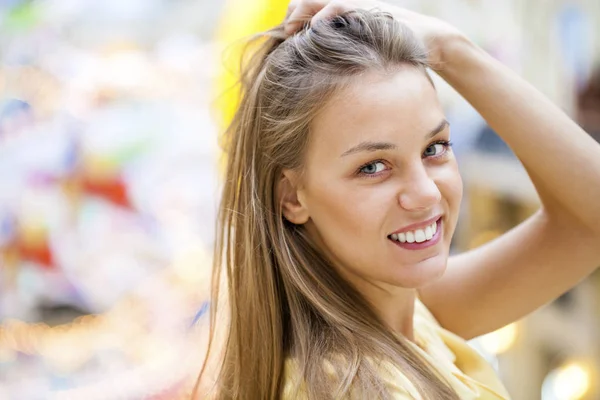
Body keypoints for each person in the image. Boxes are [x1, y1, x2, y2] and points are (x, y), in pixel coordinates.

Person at [194, 1, 600, 399]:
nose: (425, 193)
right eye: (373, 167)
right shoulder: (358, 385)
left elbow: (590, 221)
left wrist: (451, 49)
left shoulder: (403, 313)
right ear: (291, 197)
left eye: (435, 147)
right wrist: (454, 54)